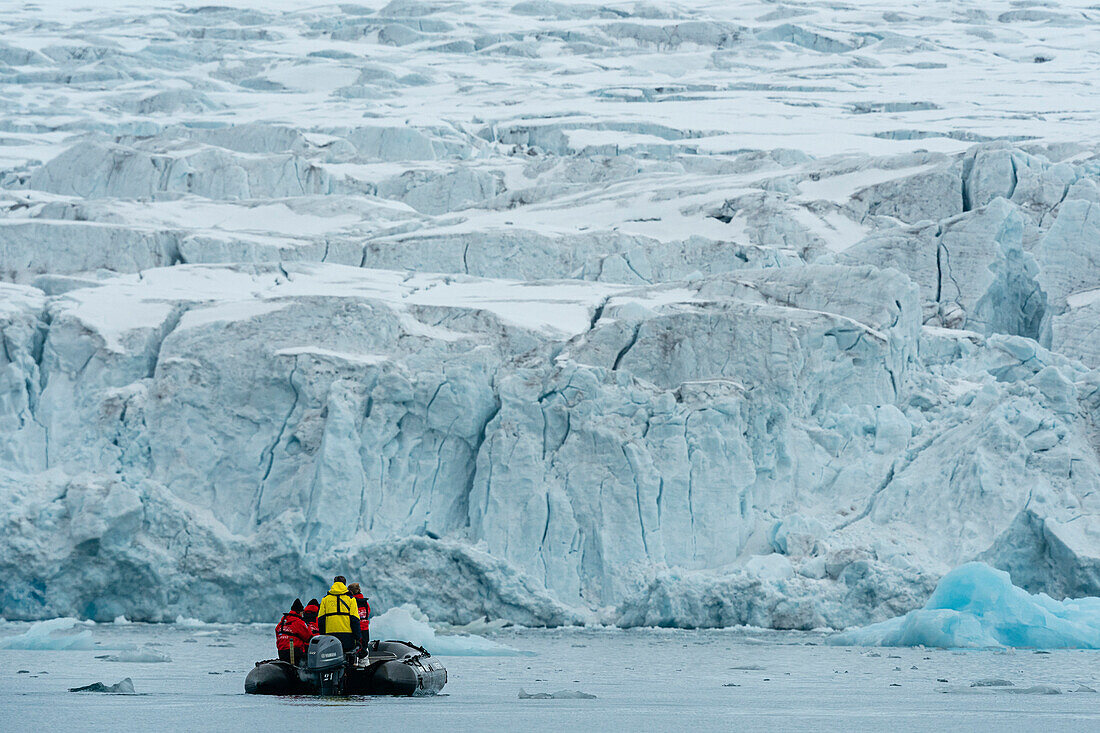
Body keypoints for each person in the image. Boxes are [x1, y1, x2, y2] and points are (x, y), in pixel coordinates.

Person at [317, 577, 361, 654]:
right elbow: (355, 619)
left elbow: (321, 619)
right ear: (344, 584)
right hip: (347, 636)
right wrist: (358, 637)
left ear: (334, 583)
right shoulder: (351, 599)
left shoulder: (325, 599)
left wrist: (323, 635)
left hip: (330, 636)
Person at [275, 598, 313, 665]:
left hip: (281, 652)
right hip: (294, 652)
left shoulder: (282, 622)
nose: (302, 615)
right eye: (302, 612)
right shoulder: (298, 622)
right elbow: (308, 637)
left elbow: (277, 631)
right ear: (299, 612)